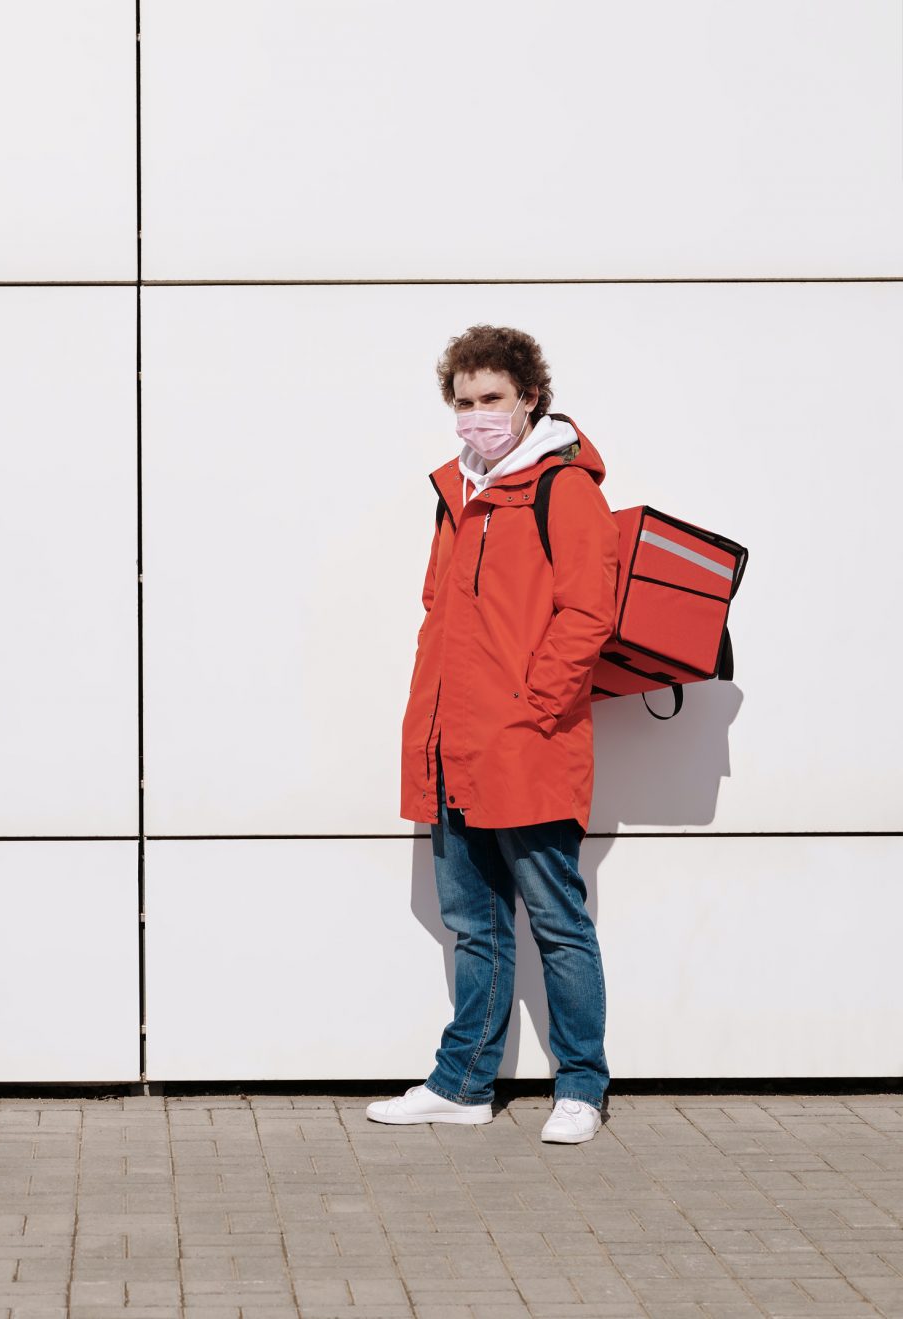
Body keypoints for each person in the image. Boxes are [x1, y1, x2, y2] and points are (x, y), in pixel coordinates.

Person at [368, 325, 619, 1144]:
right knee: (474, 924)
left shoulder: (563, 487)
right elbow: (438, 612)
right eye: (465, 401)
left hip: (525, 746)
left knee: (557, 920)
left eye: (492, 399)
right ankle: (464, 1082)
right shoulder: (459, 491)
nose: (477, 414)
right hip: (452, 743)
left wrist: (532, 707)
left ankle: (580, 1085)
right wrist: (433, 722)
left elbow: (588, 614)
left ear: (529, 399)